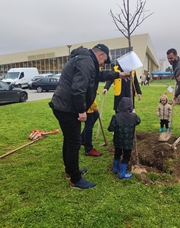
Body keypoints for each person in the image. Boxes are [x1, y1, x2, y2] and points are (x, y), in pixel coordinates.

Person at [49, 44, 130, 189]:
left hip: (63, 106)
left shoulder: (85, 60)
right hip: (68, 108)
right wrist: (81, 110)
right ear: (100, 55)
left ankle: (70, 171)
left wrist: (118, 74)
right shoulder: (86, 62)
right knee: (74, 142)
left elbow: (99, 76)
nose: (102, 65)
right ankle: (75, 179)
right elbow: (78, 88)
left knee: (69, 140)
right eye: (103, 61)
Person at [107, 97, 141, 179]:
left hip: (118, 140)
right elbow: (138, 121)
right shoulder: (134, 116)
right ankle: (122, 173)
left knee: (117, 153)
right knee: (126, 156)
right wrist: (133, 113)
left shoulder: (115, 116)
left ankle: (115, 169)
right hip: (128, 141)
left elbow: (110, 128)